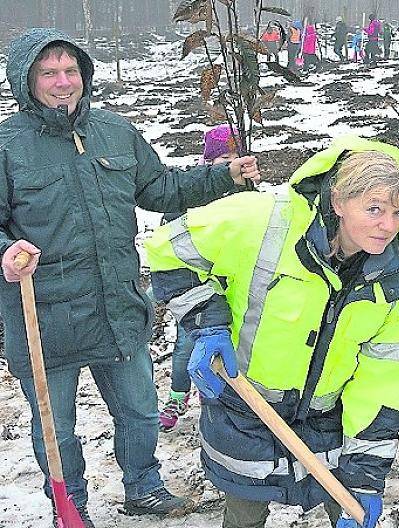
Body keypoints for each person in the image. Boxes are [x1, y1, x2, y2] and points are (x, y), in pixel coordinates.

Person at [0, 29, 261, 526]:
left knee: (140, 411)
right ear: (26, 80)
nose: (62, 82)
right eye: (49, 73)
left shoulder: (115, 132)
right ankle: (69, 506)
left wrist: (222, 176)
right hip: (45, 317)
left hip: (117, 307)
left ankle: (143, 487)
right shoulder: (7, 146)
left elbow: (160, 189)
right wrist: (6, 251)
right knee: (57, 429)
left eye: (70, 71)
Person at [145, 136, 399, 528]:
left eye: (398, 212)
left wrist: (365, 477)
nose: (388, 226)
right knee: (244, 515)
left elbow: (385, 381)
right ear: (338, 201)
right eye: (374, 208)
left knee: (349, 509)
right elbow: (169, 249)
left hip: (329, 420)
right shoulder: (262, 220)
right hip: (246, 408)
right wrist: (208, 324)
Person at [157, 125, 241, 433]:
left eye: (236, 157)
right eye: (224, 159)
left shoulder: (245, 194)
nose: (231, 163)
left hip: (232, 285)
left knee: (231, 347)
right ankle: (177, 397)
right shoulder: (191, 192)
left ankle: (218, 399)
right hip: (194, 289)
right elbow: (169, 238)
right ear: (208, 161)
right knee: (185, 347)